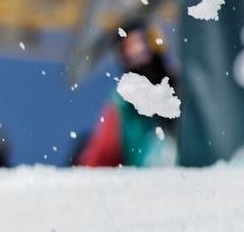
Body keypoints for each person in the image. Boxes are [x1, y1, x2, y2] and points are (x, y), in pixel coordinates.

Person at [72, 22, 180, 168]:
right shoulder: (123, 102)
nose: (134, 53)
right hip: (148, 176)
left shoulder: (182, 86)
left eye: (138, 44)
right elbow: (105, 149)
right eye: (126, 49)